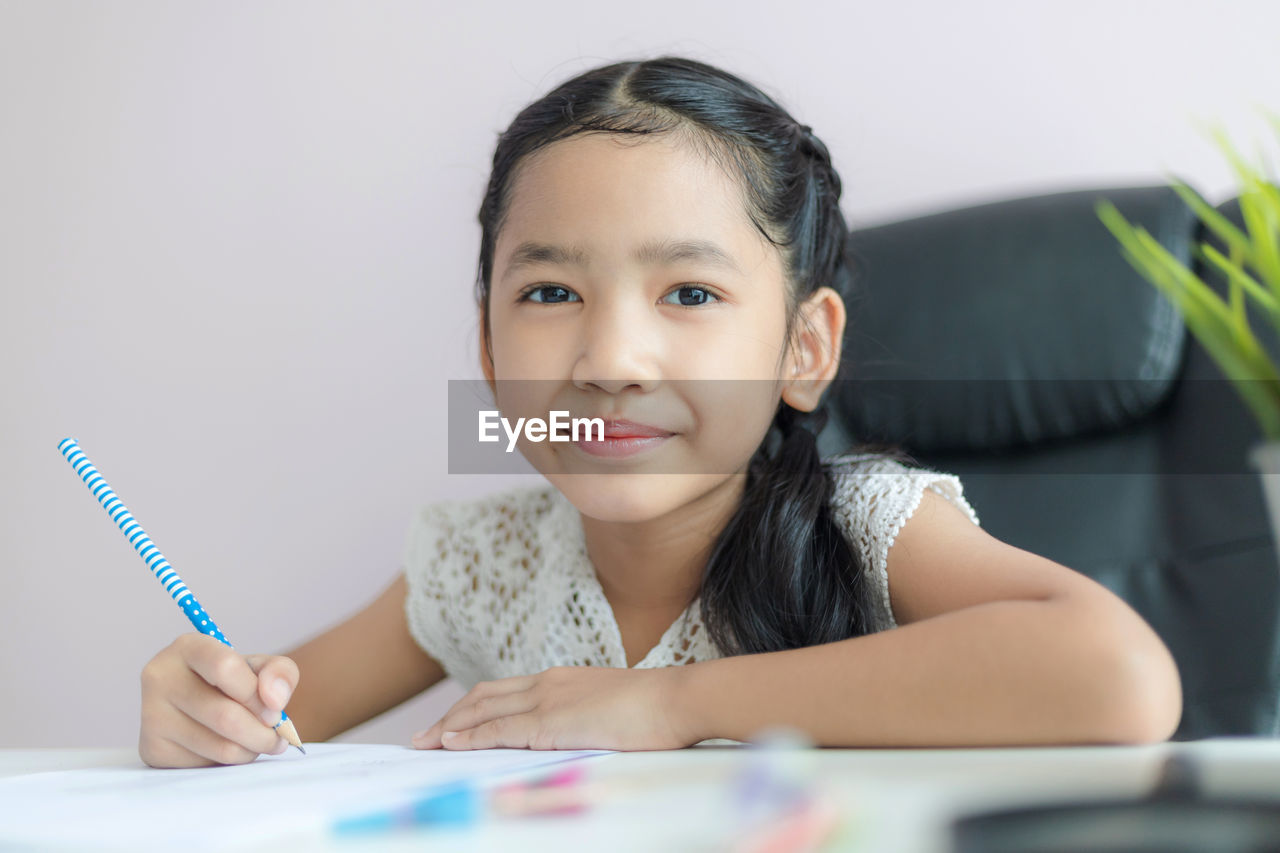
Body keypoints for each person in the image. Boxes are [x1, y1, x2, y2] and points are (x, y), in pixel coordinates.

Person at [137, 56, 1182, 768]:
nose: (610, 360)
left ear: (802, 348)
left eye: (688, 293)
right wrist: (204, 714)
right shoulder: (478, 561)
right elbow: (267, 725)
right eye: (549, 293)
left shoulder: (866, 523)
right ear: (489, 348)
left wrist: (668, 707)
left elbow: (1120, 678)